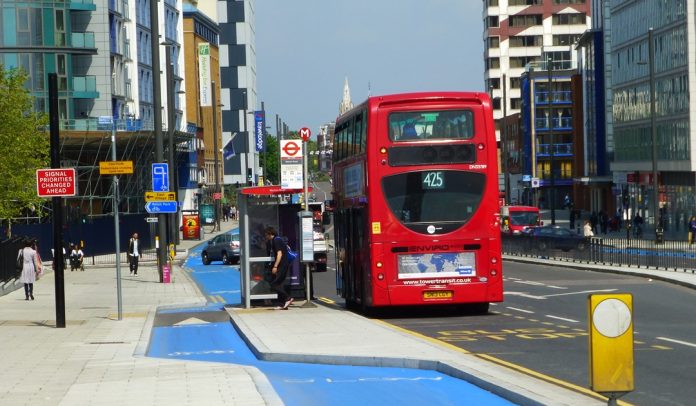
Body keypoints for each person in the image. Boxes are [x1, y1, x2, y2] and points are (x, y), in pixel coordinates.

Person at [265, 226, 293, 310]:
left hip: (282, 265)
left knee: (274, 284)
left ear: (270, 234)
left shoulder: (276, 240)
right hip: (283, 264)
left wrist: (275, 266)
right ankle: (282, 304)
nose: (265, 236)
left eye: (266, 234)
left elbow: (279, 254)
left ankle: (288, 298)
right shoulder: (275, 240)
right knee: (279, 284)